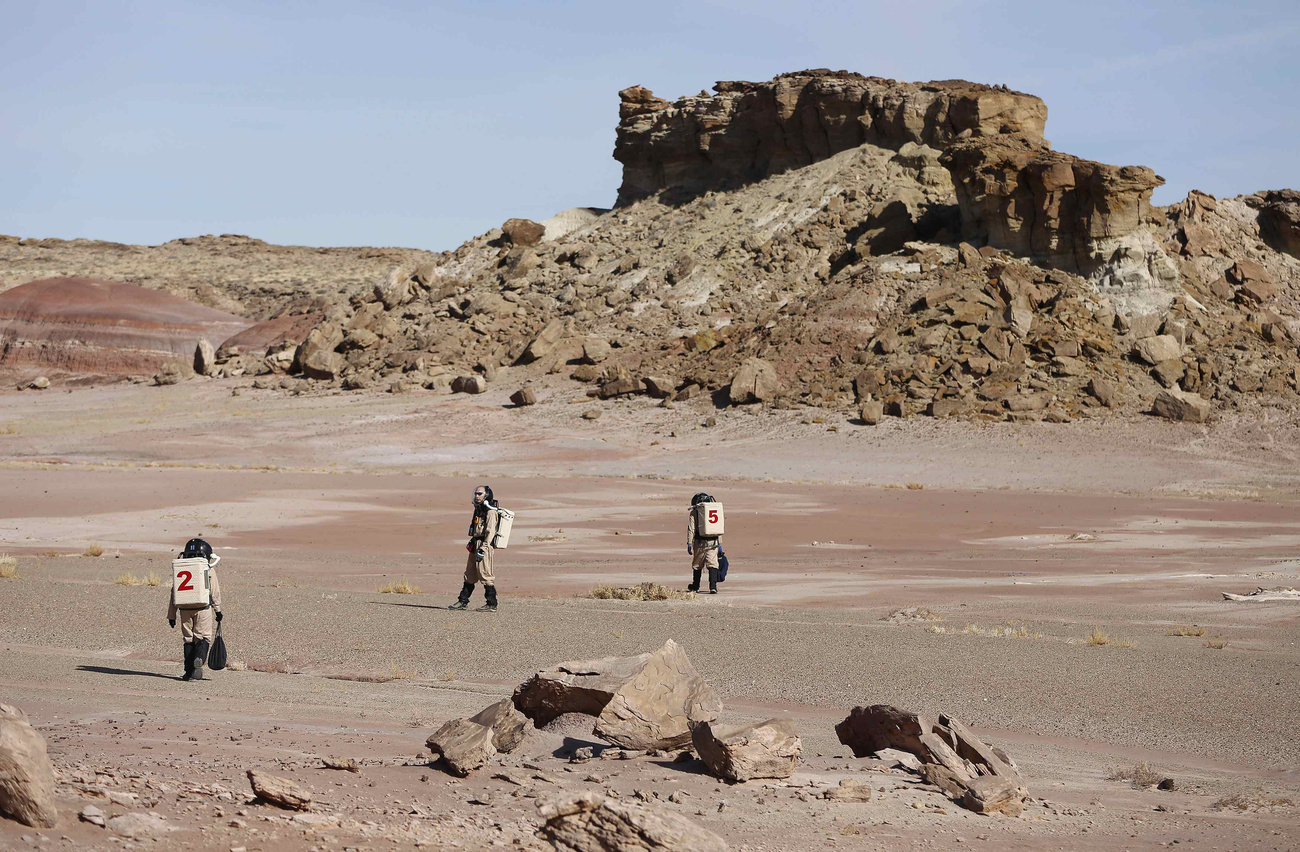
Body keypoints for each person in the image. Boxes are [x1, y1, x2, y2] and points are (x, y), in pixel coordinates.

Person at [167, 538, 223, 681]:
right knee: (203, 637)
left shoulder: (181, 568)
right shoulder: (207, 569)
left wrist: (172, 615)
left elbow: (174, 593)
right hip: (202, 608)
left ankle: (188, 672)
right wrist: (218, 610)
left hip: (184, 608)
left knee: (188, 640)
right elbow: (214, 591)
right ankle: (199, 659)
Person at [450, 484, 500, 612]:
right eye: (476, 494)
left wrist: (484, 548)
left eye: (480, 494)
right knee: (470, 574)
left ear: (486, 495)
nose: (477, 496)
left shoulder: (491, 511)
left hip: (484, 545)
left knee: (485, 574)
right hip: (475, 543)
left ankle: (491, 603)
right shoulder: (479, 510)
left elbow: (491, 532)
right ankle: (463, 601)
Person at [687, 492, 722, 594]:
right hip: (714, 542)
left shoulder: (695, 513)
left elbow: (691, 529)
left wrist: (689, 542)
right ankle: (713, 586)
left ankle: (696, 585)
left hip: (700, 543)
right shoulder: (714, 510)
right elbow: (718, 528)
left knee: (697, 565)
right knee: (713, 564)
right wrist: (720, 544)